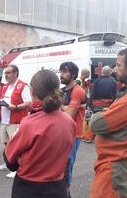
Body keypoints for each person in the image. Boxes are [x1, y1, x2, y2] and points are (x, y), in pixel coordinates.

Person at [4, 70, 75, 198]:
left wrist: (21, 157)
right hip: (57, 187)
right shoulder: (69, 120)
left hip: (29, 188)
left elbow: (10, 160)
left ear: (32, 92)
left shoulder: (29, 123)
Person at [89, 49, 127, 198]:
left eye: (118, 65)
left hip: (115, 167)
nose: (115, 69)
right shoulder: (121, 90)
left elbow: (97, 124)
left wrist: (99, 114)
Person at [0, 65, 31, 179]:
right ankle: (9, 163)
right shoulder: (5, 86)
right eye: (5, 73)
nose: (6, 75)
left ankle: (18, 168)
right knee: (6, 144)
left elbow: (28, 102)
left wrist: (15, 107)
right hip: (4, 121)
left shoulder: (22, 86)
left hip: (15, 121)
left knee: (16, 146)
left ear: (15, 73)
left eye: (8, 73)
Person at [59, 61, 86, 198]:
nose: (61, 75)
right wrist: (64, 107)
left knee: (67, 167)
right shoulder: (63, 90)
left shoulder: (78, 91)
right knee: (60, 165)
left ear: (73, 74)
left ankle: (67, 193)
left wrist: (60, 106)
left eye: (64, 72)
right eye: (60, 71)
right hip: (62, 133)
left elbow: (69, 115)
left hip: (74, 134)